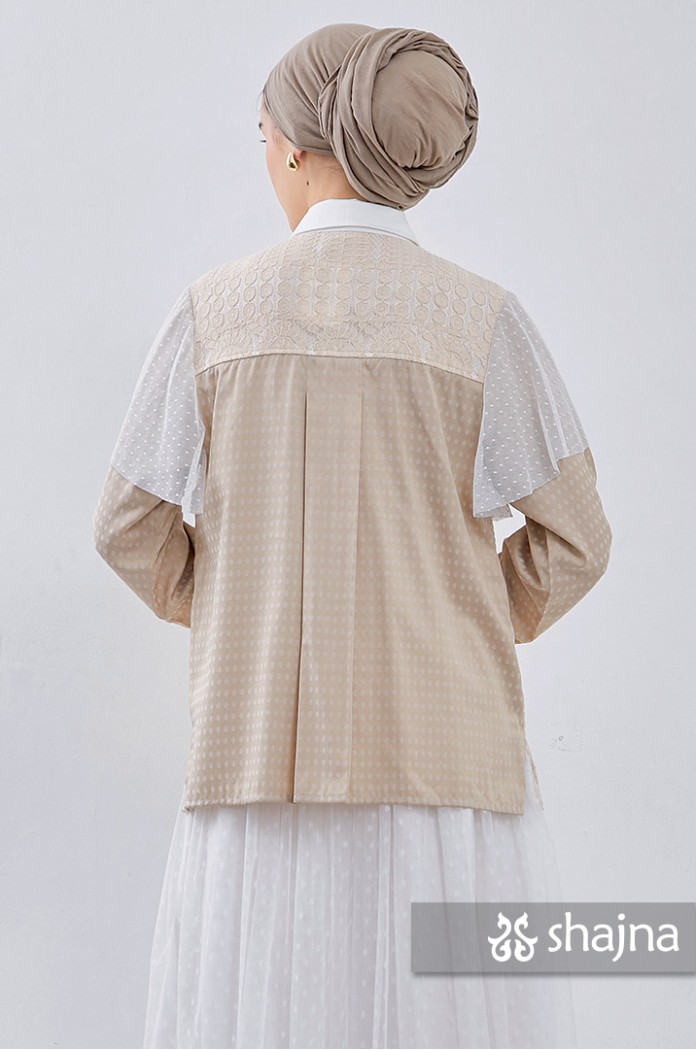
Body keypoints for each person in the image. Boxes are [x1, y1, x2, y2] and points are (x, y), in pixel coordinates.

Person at [92, 22, 612, 1050]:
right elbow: (579, 540)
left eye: (261, 136)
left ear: (293, 146)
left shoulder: (214, 314)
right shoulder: (483, 321)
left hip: (258, 766)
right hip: (444, 772)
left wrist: (234, 601)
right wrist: (462, 611)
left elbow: (126, 526)